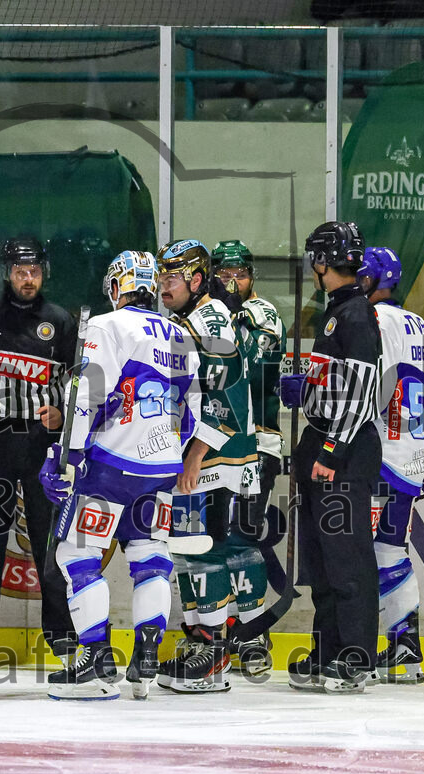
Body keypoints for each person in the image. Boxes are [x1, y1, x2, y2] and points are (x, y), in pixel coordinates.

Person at [39, 250, 201, 701]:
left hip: (111, 465)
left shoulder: (108, 326)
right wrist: (165, 451)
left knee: (76, 554)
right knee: (150, 553)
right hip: (163, 466)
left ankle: (95, 659)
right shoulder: (182, 335)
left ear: (118, 286)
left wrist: (65, 455)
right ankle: (146, 659)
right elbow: (192, 415)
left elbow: (88, 393)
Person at [0, 237, 77, 665]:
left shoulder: (60, 321)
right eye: (21, 271)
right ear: (8, 272)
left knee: (51, 540)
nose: (29, 278)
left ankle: (61, 632)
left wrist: (63, 415)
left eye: (36, 271)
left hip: (41, 446)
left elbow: (75, 385)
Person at [278, 220, 382, 694]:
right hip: (322, 442)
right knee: (320, 560)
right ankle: (328, 652)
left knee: (347, 557)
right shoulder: (338, 310)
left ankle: (356, 658)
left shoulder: (357, 314)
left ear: (322, 261)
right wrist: (310, 389)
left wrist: (331, 450)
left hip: (342, 450)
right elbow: (341, 383)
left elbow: (362, 394)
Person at [154, 239, 259, 693]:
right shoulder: (190, 318)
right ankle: (203, 639)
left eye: (171, 277)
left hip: (217, 453)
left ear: (197, 280)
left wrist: (195, 454)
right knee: (186, 547)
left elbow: (228, 395)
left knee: (203, 546)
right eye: (160, 277)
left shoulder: (209, 319)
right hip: (207, 450)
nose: (163, 285)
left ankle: (213, 653)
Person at [358, 246, 424, 684]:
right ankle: (405, 649)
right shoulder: (419, 324)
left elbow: (368, 392)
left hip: (378, 459)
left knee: (358, 555)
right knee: (392, 551)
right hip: (410, 461)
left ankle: (355, 650)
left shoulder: (373, 321)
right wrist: (422, 452)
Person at [212, 239, 285, 676]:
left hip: (258, 444)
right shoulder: (209, 314)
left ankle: (254, 635)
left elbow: (253, 368)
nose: (231, 281)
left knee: (243, 537)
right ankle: (217, 632)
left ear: (251, 275)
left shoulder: (264, 313)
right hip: (214, 447)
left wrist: (229, 319)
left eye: (238, 274)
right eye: (223, 274)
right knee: (210, 542)